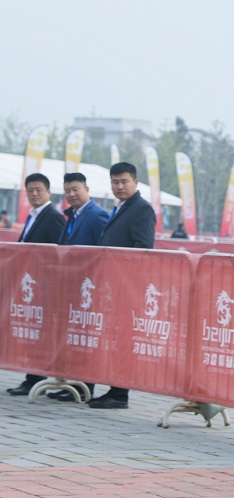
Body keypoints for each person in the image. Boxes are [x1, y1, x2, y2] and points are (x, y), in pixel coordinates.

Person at [89, 162, 156, 410]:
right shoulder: (121, 207)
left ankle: (119, 393)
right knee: (114, 339)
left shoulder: (142, 209)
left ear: (135, 183)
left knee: (123, 341)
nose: (119, 186)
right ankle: (114, 388)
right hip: (112, 286)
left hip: (127, 286)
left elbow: (143, 248)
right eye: (115, 182)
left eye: (124, 181)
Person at [45, 173, 111, 402]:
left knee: (85, 337)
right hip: (70, 286)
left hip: (88, 288)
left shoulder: (97, 215)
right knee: (74, 337)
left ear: (87, 189)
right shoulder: (72, 215)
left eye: (76, 189)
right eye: (67, 191)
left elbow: (102, 251)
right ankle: (72, 384)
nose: (72, 194)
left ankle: (85, 387)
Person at [7, 173, 66, 396]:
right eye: (30, 190)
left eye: (39, 190)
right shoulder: (32, 216)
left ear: (48, 192)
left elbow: (59, 251)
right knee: (31, 332)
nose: (34, 194)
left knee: (40, 334)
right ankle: (30, 377)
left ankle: (35, 378)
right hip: (29, 286)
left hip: (45, 285)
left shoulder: (53, 217)